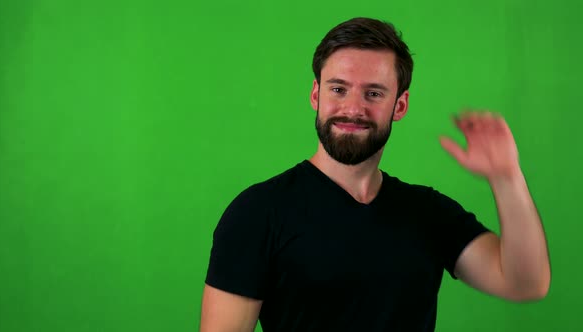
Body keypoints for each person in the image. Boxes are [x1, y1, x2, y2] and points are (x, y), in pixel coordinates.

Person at [200, 17, 550, 332]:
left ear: (399, 105)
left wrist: (506, 177)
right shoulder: (258, 213)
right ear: (315, 94)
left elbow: (526, 283)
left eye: (373, 93)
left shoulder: (428, 213)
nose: (353, 108)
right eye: (338, 89)